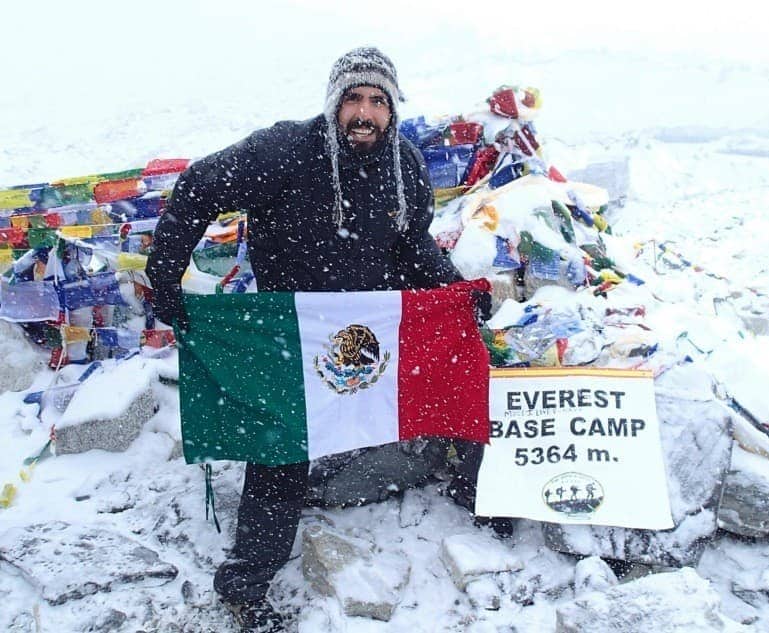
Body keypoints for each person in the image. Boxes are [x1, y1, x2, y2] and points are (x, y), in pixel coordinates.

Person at [145, 47, 508, 633]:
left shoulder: (406, 164)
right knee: (284, 452)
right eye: (353, 99)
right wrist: (163, 275)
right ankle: (245, 583)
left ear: (392, 109)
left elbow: (412, 246)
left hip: (370, 323)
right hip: (297, 331)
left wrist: (455, 293)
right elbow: (197, 188)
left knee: (452, 374)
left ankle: (474, 490)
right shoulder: (284, 150)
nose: (364, 113)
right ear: (335, 102)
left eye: (378, 101)